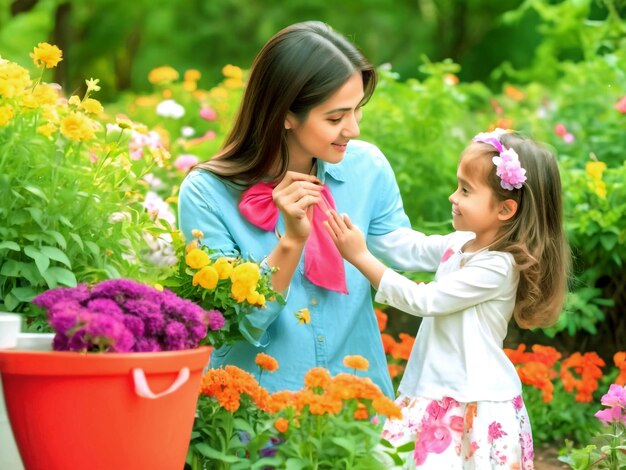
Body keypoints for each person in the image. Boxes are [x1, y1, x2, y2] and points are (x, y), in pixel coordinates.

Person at [178, 21, 412, 397]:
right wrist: (291, 242)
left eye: (356, 111)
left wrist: (479, 240)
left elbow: (399, 254)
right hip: (255, 421)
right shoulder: (207, 194)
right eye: (335, 118)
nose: (352, 129)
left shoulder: (367, 168)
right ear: (286, 114)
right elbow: (236, 325)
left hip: (357, 414)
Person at [324, 129, 570, 468]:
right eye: (458, 185)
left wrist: (359, 256)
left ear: (505, 209)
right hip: (433, 386)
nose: (454, 197)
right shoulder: (462, 243)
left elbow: (425, 300)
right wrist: (348, 223)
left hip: (472, 398)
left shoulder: (497, 266)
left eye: (466, 190)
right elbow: (409, 249)